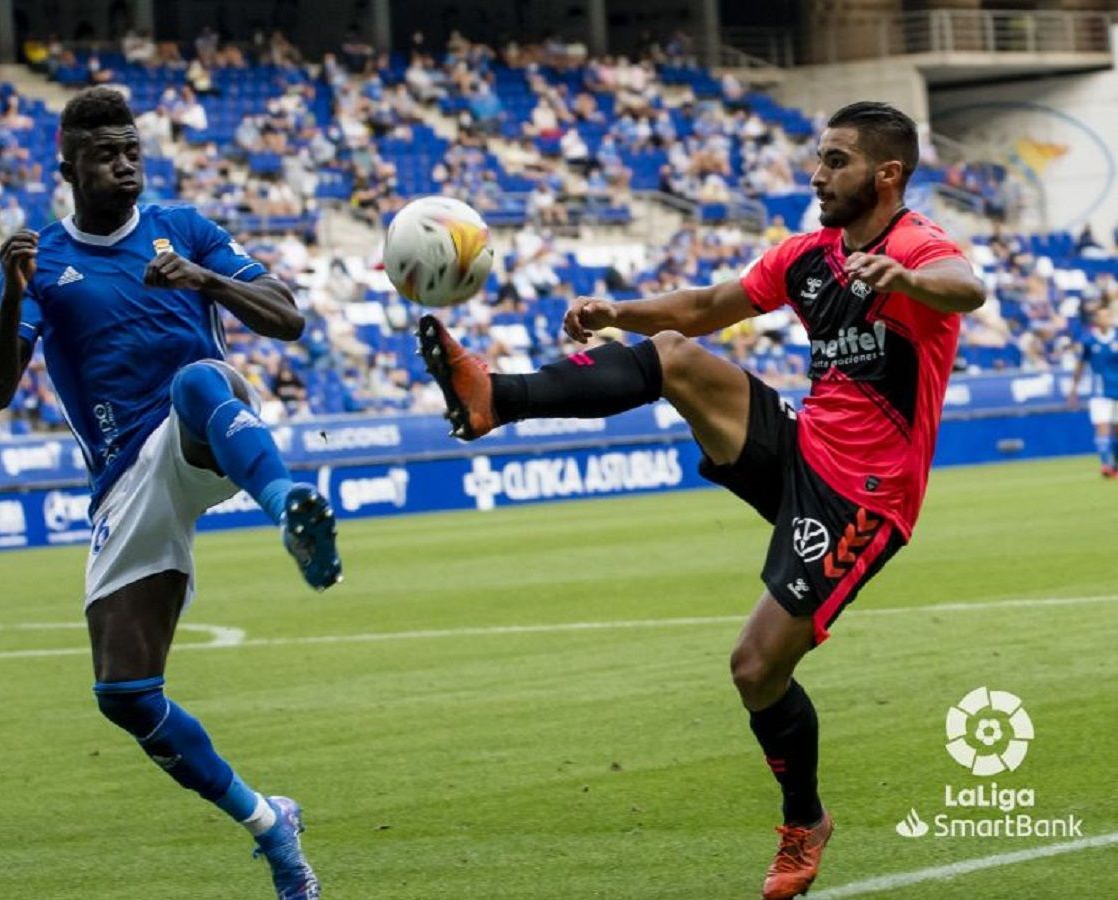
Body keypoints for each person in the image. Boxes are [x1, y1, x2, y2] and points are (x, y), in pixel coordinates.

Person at [416, 101, 984, 900]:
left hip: (863, 497)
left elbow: (967, 287)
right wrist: (619, 312)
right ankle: (492, 397)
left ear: (886, 175)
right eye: (818, 159)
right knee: (677, 355)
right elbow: (703, 308)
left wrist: (909, 278)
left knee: (755, 669)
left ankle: (804, 821)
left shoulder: (916, 247)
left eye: (835, 161)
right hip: (802, 445)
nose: (816, 175)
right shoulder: (808, 256)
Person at [0, 87, 338, 900]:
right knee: (126, 696)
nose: (126, 162)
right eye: (106, 152)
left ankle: (290, 509)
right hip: (125, 477)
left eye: (133, 148)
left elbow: (287, 320)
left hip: (201, 429)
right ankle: (271, 827)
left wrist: (204, 278)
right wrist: (8, 292)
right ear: (67, 165)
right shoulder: (42, 264)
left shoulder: (185, 230)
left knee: (202, 378)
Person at [1067, 304, 1118, 477]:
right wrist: (1073, 389)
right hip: (1100, 392)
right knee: (1102, 427)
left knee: (1117, 431)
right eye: (1102, 316)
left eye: (1108, 315)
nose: (1106, 319)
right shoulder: (1088, 340)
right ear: (1096, 320)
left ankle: (1116, 466)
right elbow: (1080, 365)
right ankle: (1105, 465)